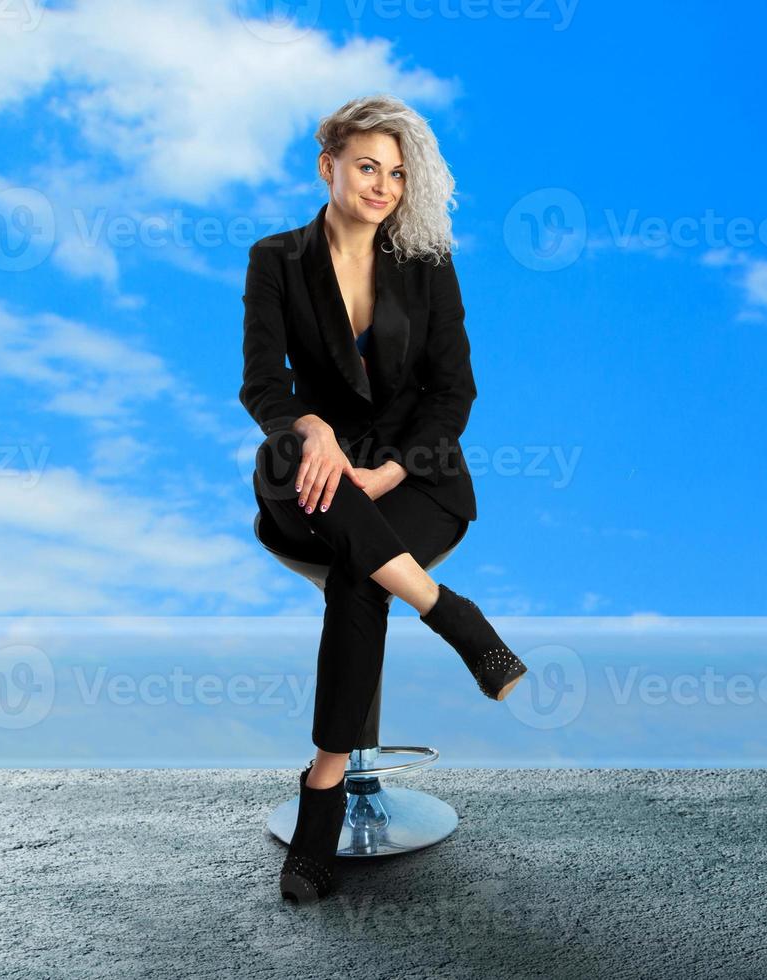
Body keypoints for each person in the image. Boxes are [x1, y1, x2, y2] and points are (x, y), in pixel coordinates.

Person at [240, 94, 529, 904]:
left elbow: (454, 392)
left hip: (418, 472)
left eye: (397, 174)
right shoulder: (276, 260)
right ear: (327, 164)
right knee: (311, 470)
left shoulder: (426, 263)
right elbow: (262, 381)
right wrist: (313, 428)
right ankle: (452, 615)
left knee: (359, 575)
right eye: (367, 166)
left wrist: (393, 468)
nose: (382, 185)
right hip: (308, 468)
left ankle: (320, 804)